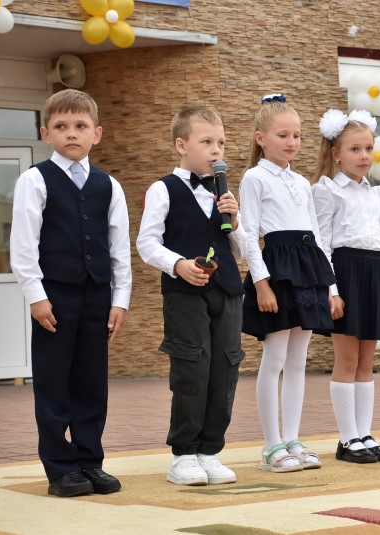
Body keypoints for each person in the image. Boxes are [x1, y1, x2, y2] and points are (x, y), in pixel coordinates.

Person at [10, 89, 132, 497]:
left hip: (97, 296)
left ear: (96, 133)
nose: (71, 133)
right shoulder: (34, 180)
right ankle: (60, 468)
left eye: (81, 126)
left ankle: (90, 461)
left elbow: (119, 248)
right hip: (55, 297)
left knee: (91, 382)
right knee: (53, 382)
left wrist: (120, 299)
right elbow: (23, 245)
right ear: (46, 134)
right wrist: (36, 295)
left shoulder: (109, 185)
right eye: (61, 126)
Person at [137, 106, 247, 486]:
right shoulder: (163, 189)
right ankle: (183, 454)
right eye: (207, 142)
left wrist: (235, 219)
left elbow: (240, 251)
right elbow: (147, 243)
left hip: (228, 291)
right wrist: (178, 264)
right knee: (191, 367)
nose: (216, 150)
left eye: (221, 143)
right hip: (185, 294)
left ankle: (209, 451)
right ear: (182, 145)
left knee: (225, 368)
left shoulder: (224, 192)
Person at [239, 94, 335, 472]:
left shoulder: (302, 182)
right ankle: (271, 445)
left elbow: (317, 234)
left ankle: (293, 439)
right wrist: (261, 283)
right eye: (283, 135)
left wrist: (331, 287)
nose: (292, 142)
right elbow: (248, 234)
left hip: (308, 268)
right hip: (277, 270)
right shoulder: (254, 177)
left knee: (298, 361)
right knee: (275, 358)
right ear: (261, 138)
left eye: (296, 135)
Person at [312, 109, 380, 463]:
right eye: (355, 149)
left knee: (366, 361)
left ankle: (364, 433)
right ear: (336, 153)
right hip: (346, 274)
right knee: (347, 360)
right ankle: (347, 438)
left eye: (368, 148)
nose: (364, 156)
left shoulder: (379, 195)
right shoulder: (328, 191)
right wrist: (331, 291)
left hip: (375, 273)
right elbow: (322, 245)